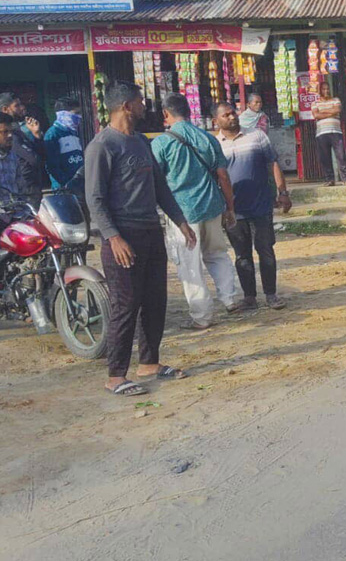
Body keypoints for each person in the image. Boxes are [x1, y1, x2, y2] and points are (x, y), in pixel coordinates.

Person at [85, 81, 196, 396]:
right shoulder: (102, 146)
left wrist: (180, 221)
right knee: (126, 304)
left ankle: (149, 363)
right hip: (123, 236)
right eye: (140, 102)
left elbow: (160, 187)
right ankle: (116, 376)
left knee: (155, 299)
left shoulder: (141, 142)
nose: (145, 106)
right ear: (125, 106)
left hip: (150, 230)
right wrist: (113, 237)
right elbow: (95, 199)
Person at [151, 95, 241, 330]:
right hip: (212, 205)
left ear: (165, 114)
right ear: (189, 111)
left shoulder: (161, 143)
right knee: (217, 253)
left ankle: (202, 316)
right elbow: (223, 176)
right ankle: (230, 298)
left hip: (182, 214)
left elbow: (155, 181)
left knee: (190, 264)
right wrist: (230, 207)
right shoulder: (208, 138)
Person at [215, 103, 292, 310]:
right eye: (226, 115)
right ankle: (249, 297)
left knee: (265, 249)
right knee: (242, 255)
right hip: (233, 210)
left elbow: (273, 163)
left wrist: (282, 192)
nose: (232, 117)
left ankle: (271, 295)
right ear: (217, 121)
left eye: (233, 113)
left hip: (261, 205)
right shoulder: (214, 144)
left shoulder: (257, 136)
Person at [0, 93, 44, 203]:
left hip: (19, 206)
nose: (22, 108)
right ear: (5, 109)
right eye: (17, 105)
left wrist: (37, 135)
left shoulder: (11, 156)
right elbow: (34, 160)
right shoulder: (14, 138)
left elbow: (40, 157)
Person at [312, 81, 346, 186]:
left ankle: (345, 179)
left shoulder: (336, 100)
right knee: (325, 158)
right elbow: (316, 115)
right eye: (323, 89)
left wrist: (323, 112)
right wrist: (331, 112)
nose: (326, 91)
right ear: (320, 91)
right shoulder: (315, 103)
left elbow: (337, 110)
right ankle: (329, 179)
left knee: (341, 156)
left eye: (327, 89)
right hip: (321, 133)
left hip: (336, 132)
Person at [44, 96, 86, 191]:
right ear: (63, 114)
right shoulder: (53, 134)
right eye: (76, 113)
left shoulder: (74, 133)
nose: (79, 117)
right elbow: (52, 166)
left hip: (79, 186)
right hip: (64, 189)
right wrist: (66, 184)